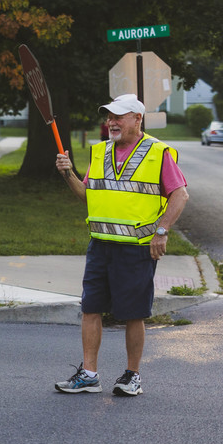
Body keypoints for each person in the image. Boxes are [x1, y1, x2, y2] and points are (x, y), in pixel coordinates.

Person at [54, 94, 189, 397]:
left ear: (137, 119)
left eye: (118, 116)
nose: (111, 122)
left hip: (137, 248)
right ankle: (89, 375)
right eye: (109, 117)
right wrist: (68, 174)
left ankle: (132, 375)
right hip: (100, 245)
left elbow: (180, 195)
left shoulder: (158, 152)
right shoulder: (100, 152)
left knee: (133, 313)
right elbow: (87, 195)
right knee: (90, 308)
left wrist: (162, 231)